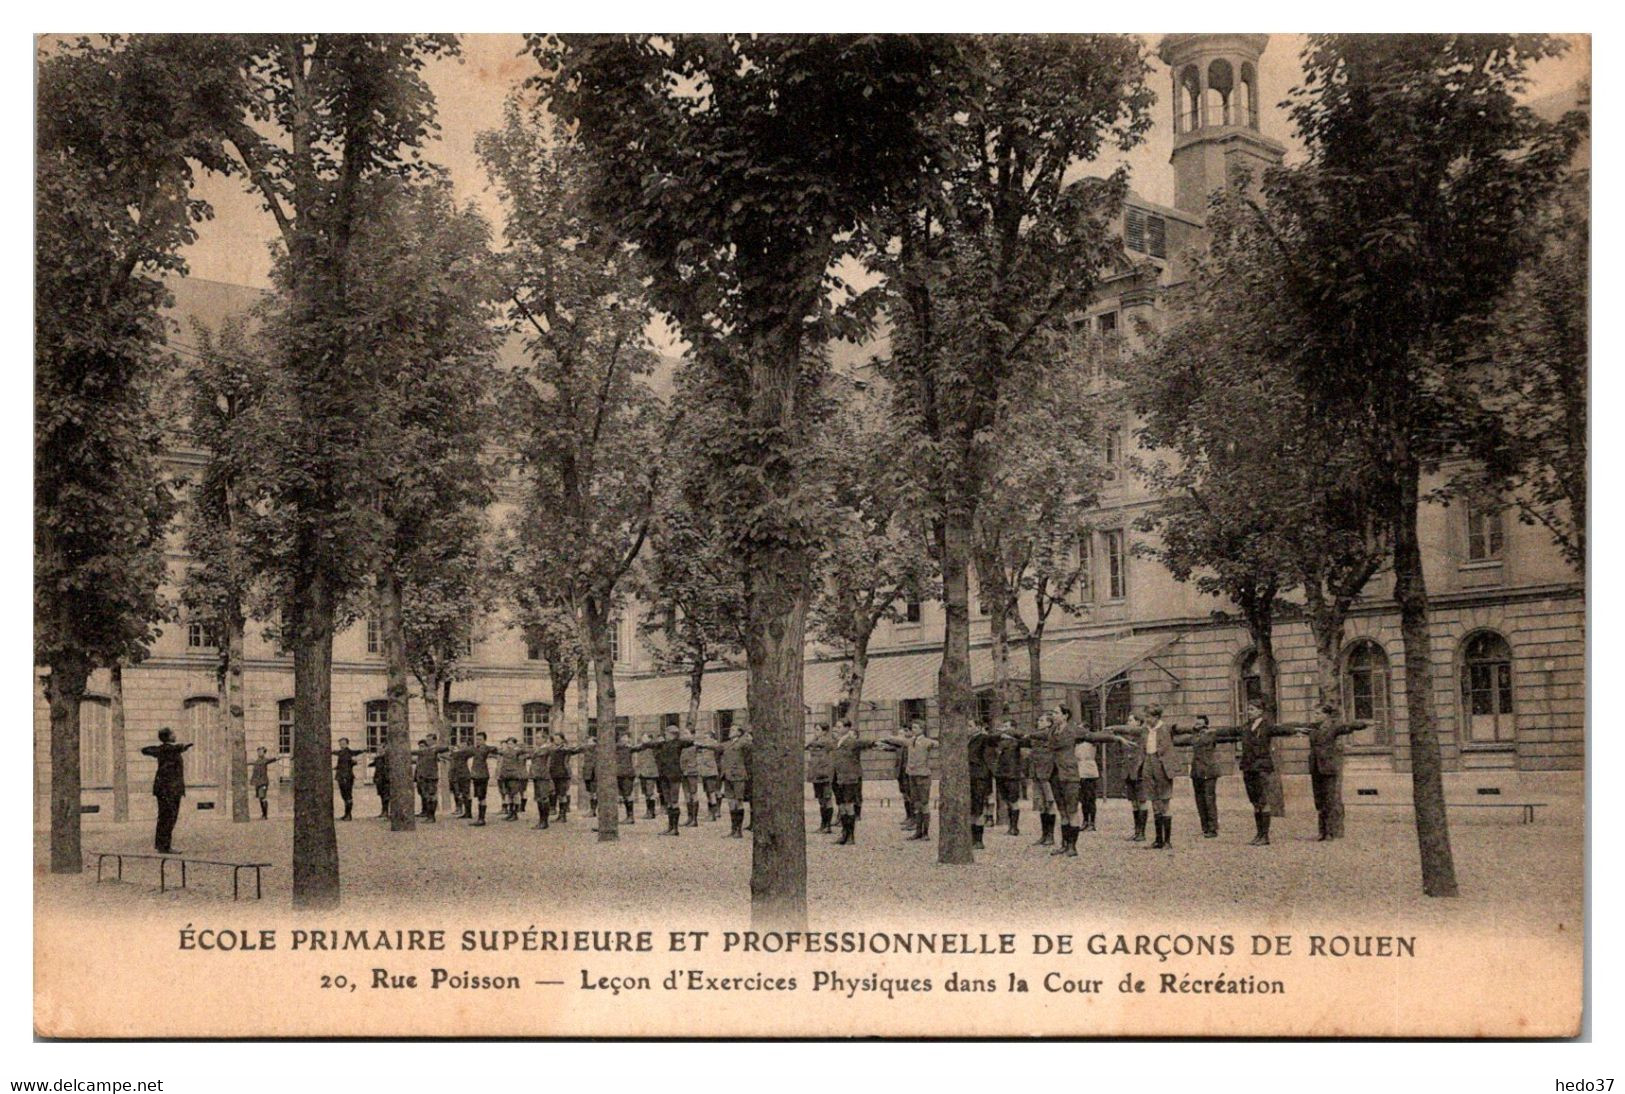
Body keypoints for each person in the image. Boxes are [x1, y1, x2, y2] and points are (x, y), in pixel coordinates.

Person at [1112, 706, 1179, 849]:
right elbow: (1129, 731)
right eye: (1146, 717)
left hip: (1162, 766)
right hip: (1148, 763)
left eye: (1149, 717)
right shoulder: (1145, 730)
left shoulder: (1166, 728)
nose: (1147, 720)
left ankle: (1167, 841)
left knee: (1164, 803)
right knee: (1154, 802)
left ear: (1156, 717)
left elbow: (1177, 734)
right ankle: (1158, 840)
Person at [1298, 703, 1365, 840]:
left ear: (1326, 715)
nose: (1315, 716)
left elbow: (1348, 727)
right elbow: (1296, 726)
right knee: (1319, 800)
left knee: (1330, 800)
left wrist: (1361, 724)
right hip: (1315, 767)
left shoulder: (1333, 727)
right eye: (1314, 713)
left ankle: (1330, 832)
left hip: (1328, 768)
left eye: (1318, 713)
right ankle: (1321, 832)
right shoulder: (1312, 727)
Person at [1237, 701, 1297, 846]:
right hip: (1248, 767)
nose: (1248, 712)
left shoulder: (1267, 726)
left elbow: (1283, 730)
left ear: (1260, 711)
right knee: (1255, 802)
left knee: (1263, 801)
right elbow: (1230, 732)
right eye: (1248, 709)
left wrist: (1299, 729)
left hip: (1262, 768)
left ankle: (1265, 836)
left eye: (1251, 709)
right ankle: (1258, 834)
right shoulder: (1246, 727)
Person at [878, 721, 938, 841]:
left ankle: (925, 833)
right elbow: (898, 741)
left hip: (922, 776)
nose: (913, 729)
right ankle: (918, 832)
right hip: (912, 775)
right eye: (912, 727)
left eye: (915, 727)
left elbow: (936, 743)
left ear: (922, 729)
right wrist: (887, 737)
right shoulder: (911, 741)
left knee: (924, 804)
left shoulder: (926, 742)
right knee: (916, 804)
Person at [632, 724, 695, 835]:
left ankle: (675, 829)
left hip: (674, 776)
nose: (665, 735)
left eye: (666, 733)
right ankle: (670, 827)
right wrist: (635, 747)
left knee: (674, 801)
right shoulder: (662, 744)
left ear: (672, 734)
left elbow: (690, 741)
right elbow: (648, 745)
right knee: (668, 802)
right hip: (663, 776)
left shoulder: (679, 743)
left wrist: (680, 735)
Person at [1173, 715, 1229, 838]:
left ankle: (1213, 828)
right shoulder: (1194, 737)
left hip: (1209, 772)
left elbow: (1227, 736)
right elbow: (1178, 742)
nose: (1198, 727)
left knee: (1209, 800)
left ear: (1206, 725)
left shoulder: (1211, 735)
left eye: (1201, 725)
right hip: (1197, 772)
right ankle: (1205, 827)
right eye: (1196, 724)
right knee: (1200, 801)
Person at [140, 728, 193, 854]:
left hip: (169, 790)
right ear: (168, 737)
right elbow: (145, 750)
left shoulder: (166, 750)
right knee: (168, 818)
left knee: (166, 817)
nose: (175, 735)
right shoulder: (167, 750)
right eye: (173, 733)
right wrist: (176, 747)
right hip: (168, 790)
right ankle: (164, 847)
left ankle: (161, 845)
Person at [829, 720, 879, 845]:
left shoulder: (852, 741)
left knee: (849, 806)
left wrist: (879, 742)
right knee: (841, 806)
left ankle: (851, 836)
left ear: (847, 728)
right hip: (837, 777)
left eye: (840, 726)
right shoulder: (836, 742)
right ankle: (844, 834)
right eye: (836, 726)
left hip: (849, 778)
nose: (837, 728)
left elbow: (868, 743)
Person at [700, 727, 753, 838]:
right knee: (731, 802)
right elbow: (717, 747)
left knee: (739, 802)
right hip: (727, 776)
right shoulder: (727, 743)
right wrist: (703, 745)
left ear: (739, 732)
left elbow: (749, 751)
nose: (730, 731)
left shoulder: (743, 742)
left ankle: (739, 831)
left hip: (738, 776)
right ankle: (733, 829)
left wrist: (747, 735)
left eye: (733, 730)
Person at [1108, 713, 1150, 842]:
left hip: (1139, 772)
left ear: (1138, 723)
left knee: (1142, 801)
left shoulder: (1143, 735)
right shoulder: (1125, 737)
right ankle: (1137, 831)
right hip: (1128, 772)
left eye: (1130, 720)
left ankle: (1142, 832)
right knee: (1134, 803)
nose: (1128, 723)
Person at [1025, 713, 1058, 846]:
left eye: (1042, 720)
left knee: (1050, 804)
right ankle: (1044, 835)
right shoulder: (1035, 737)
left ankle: (1050, 835)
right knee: (1041, 805)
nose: (1039, 722)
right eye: (1039, 719)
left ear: (1049, 723)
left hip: (1047, 775)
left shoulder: (1050, 735)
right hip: (1037, 774)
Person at [966, 721, 1000, 850]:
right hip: (971, 777)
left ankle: (978, 840)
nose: (967, 728)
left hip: (979, 777)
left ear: (978, 728)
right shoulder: (968, 740)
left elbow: (994, 740)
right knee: (972, 809)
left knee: (978, 808)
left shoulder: (983, 738)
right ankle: (972, 838)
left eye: (970, 726)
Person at [992, 721, 1025, 836]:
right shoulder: (1000, 741)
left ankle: (1014, 827)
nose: (1004, 729)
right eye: (1004, 727)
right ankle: (1011, 826)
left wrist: (1009, 733)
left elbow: (1022, 735)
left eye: (1007, 727)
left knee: (1013, 801)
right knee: (1006, 801)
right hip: (1001, 774)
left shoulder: (1017, 742)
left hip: (1012, 775)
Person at [805, 723, 836, 834]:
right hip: (816, 775)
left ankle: (828, 826)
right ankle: (823, 825)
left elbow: (815, 745)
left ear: (824, 731)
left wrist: (814, 741)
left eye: (818, 730)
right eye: (815, 730)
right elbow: (807, 746)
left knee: (827, 800)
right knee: (821, 800)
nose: (815, 732)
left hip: (825, 775)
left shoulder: (827, 742)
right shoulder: (815, 741)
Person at [466, 733, 501, 826]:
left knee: (482, 797)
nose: (478, 741)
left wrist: (495, 750)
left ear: (484, 740)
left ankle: (482, 819)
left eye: (480, 739)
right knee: (479, 797)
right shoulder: (475, 748)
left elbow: (494, 749)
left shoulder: (485, 748)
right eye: (477, 739)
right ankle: (480, 818)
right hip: (476, 775)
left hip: (482, 775)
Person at [412, 735, 449, 822]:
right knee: (426, 796)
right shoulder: (425, 751)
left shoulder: (434, 749)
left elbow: (443, 748)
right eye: (427, 739)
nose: (427, 741)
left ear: (434, 741)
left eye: (429, 740)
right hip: (423, 777)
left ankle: (431, 817)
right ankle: (428, 815)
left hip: (431, 777)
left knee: (431, 796)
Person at [331, 738, 367, 821]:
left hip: (346, 777)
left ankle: (348, 815)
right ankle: (346, 814)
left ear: (347, 744)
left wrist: (362, 752)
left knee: (347, 796)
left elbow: (355, 754)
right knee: (344, 796)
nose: (341, 745)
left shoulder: (348, 752)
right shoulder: (341, 752)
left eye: (343, 743)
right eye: (340, 743)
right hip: (341, 777)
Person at [524, 737, 555, 828]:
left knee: (543, 798)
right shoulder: (538, 749)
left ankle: (544, 822)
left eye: (538, 738)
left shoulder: (546, 749)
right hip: (536, 776)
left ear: (544, 739)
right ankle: (541, 821)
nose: (536, 739)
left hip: (543, 776)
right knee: (539, 799)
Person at [548, 733, 579, 822]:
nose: (556, 741)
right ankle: (559, 815)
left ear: (562, 739)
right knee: (556, 794)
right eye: (555, 739)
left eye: (558, 739)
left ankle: (563, 816)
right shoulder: (553, 749)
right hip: (554, 774)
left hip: (563, 774)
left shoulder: (565, 749)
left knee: (562, 795)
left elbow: (574, 751)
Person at [496, 738, 529, 821]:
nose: (509, 745)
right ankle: (510, 812)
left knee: (515, 794)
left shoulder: (517, 752)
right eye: (508, 744)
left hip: (514, 776)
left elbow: (526, 751)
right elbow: (496, 752)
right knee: (508, 794)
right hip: (506, 776)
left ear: (514, 744)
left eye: (511, 744)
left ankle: (515, 813)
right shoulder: (505, 752)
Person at [248, 746, 281, 820]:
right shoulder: (256, 761)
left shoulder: (265, 760)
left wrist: (277, 757)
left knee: (263, 797)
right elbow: (250, 763)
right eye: (258, 751)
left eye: (261, 751)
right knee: (260, 798)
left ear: (264, 753)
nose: (259, 753)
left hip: (263, 782)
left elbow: (272, 759)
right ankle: (263, 814)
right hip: (258, 783)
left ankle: (265, 815)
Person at [613, 728, 638, 824]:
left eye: (627, 737)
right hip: (620, 774)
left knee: (627, 795)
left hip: (627, 774)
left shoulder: (629, 748)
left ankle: (630, 816)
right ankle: (629, 816)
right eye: (624, 737)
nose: (626, 739)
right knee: (624, 796)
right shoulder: (618, 747)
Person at [444, 739, 473, 819]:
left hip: (464, 775)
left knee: (466, 793)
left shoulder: (466, 752)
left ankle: (468, 812)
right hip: (455, 776)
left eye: (464, 745)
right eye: (461, 745)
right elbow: (449, 757)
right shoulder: (457, 754)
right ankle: (461, 809)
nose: (461, 746)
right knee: (457, 793)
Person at [635, 731, 661, 821]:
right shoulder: (641, 748)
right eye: (642, 738)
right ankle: (648, 811)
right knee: (646, 793)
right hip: (642, 773)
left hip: (650, 773)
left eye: (645, 738)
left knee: (650, 793)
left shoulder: (653, 747)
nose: (643, 739)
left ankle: (652, 812)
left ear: (650, 739)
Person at [368, 750, 390, 817]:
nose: (381, 752)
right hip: (379, 780)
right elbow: (372, 765)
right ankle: (383, 811)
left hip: (386, 780)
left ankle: (386, 811)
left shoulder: (388, 758)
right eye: (379, 751)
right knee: (382, 796)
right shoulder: (377, 759)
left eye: (382, 750)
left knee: (386, 796)